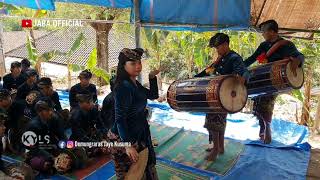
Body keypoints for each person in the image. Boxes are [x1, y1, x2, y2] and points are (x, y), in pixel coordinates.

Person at [244, 20, 304, 144]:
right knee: (258, 102)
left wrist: (297, 61)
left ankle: (267, 129)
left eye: (264, 31)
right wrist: (239, 67)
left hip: (276, 81)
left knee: (266, 102)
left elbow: (299, 56)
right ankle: (263, 129)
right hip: (262, 78)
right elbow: (251, 59)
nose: (262, 34)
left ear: (272, 31)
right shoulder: (263, 46)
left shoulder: (286, 44)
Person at [195, 33, 250, 161]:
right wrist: (195, 78)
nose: (216, 50)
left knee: (214, 122)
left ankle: (215, 150)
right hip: (216, 95)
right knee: (219, 122)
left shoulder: (234, 57)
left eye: (218, 47)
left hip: (223, 96)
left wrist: (240, 79)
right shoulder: (222, 58)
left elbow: (244, 72)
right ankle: (219, 147)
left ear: (225, 45)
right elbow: (208, 70)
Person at [108, 48, 159, 179]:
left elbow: (153, 95)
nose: (138, 66)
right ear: (123, 66)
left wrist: (152, 78)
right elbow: (120, 119)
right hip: (124, 137)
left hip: (138, 132)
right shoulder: (123, 87)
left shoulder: (134, 83)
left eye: (139, 62)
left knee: (145, 169)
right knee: (130, 174)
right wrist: (128, 145)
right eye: (133, 63)